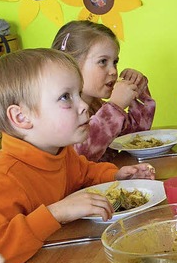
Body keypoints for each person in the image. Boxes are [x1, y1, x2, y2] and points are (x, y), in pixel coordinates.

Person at [0, 49, 155, 263]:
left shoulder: (60, 151)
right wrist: (56, 213)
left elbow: (85, 173)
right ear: (22, 117)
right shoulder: (3, 177)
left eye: (78, 93)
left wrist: (115, 175)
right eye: (65, 97)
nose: (83, 106)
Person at [52, 21, 156, 162]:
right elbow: (79, 158)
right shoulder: (61, 110)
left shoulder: (97, 105)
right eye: (102, 62)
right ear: (71, 65)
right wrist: (115, 107)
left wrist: (138, 92)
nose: (113, 71)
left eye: (115, 62)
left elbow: (134, 138)